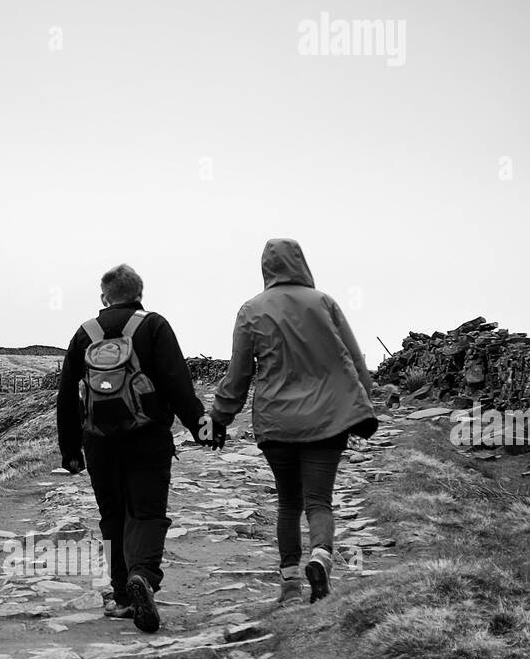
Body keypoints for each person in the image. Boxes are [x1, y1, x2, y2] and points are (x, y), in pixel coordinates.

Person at [208, 239, 377, 605]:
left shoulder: (251, 310)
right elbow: (352, 356)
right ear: (301, 263)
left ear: (266, 268)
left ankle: (289, 584)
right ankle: (321, 557)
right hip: (328, 420)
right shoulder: (324, 303)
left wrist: (219, 417)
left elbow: (238, 375)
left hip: (276, 423)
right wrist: (364, 400)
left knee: (288, 502)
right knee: (319, 501)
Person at [57, 263, 213, 633]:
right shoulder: (154, 326)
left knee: (112, 515)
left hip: (99, 442)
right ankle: (142, 575)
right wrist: (199, 427)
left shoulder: (85, 333)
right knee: (146, 511)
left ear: (104, 297)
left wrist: (70, 450)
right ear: (140, 292)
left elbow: (66, 396)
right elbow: (178, 382)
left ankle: (122, 595)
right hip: (148, 438)